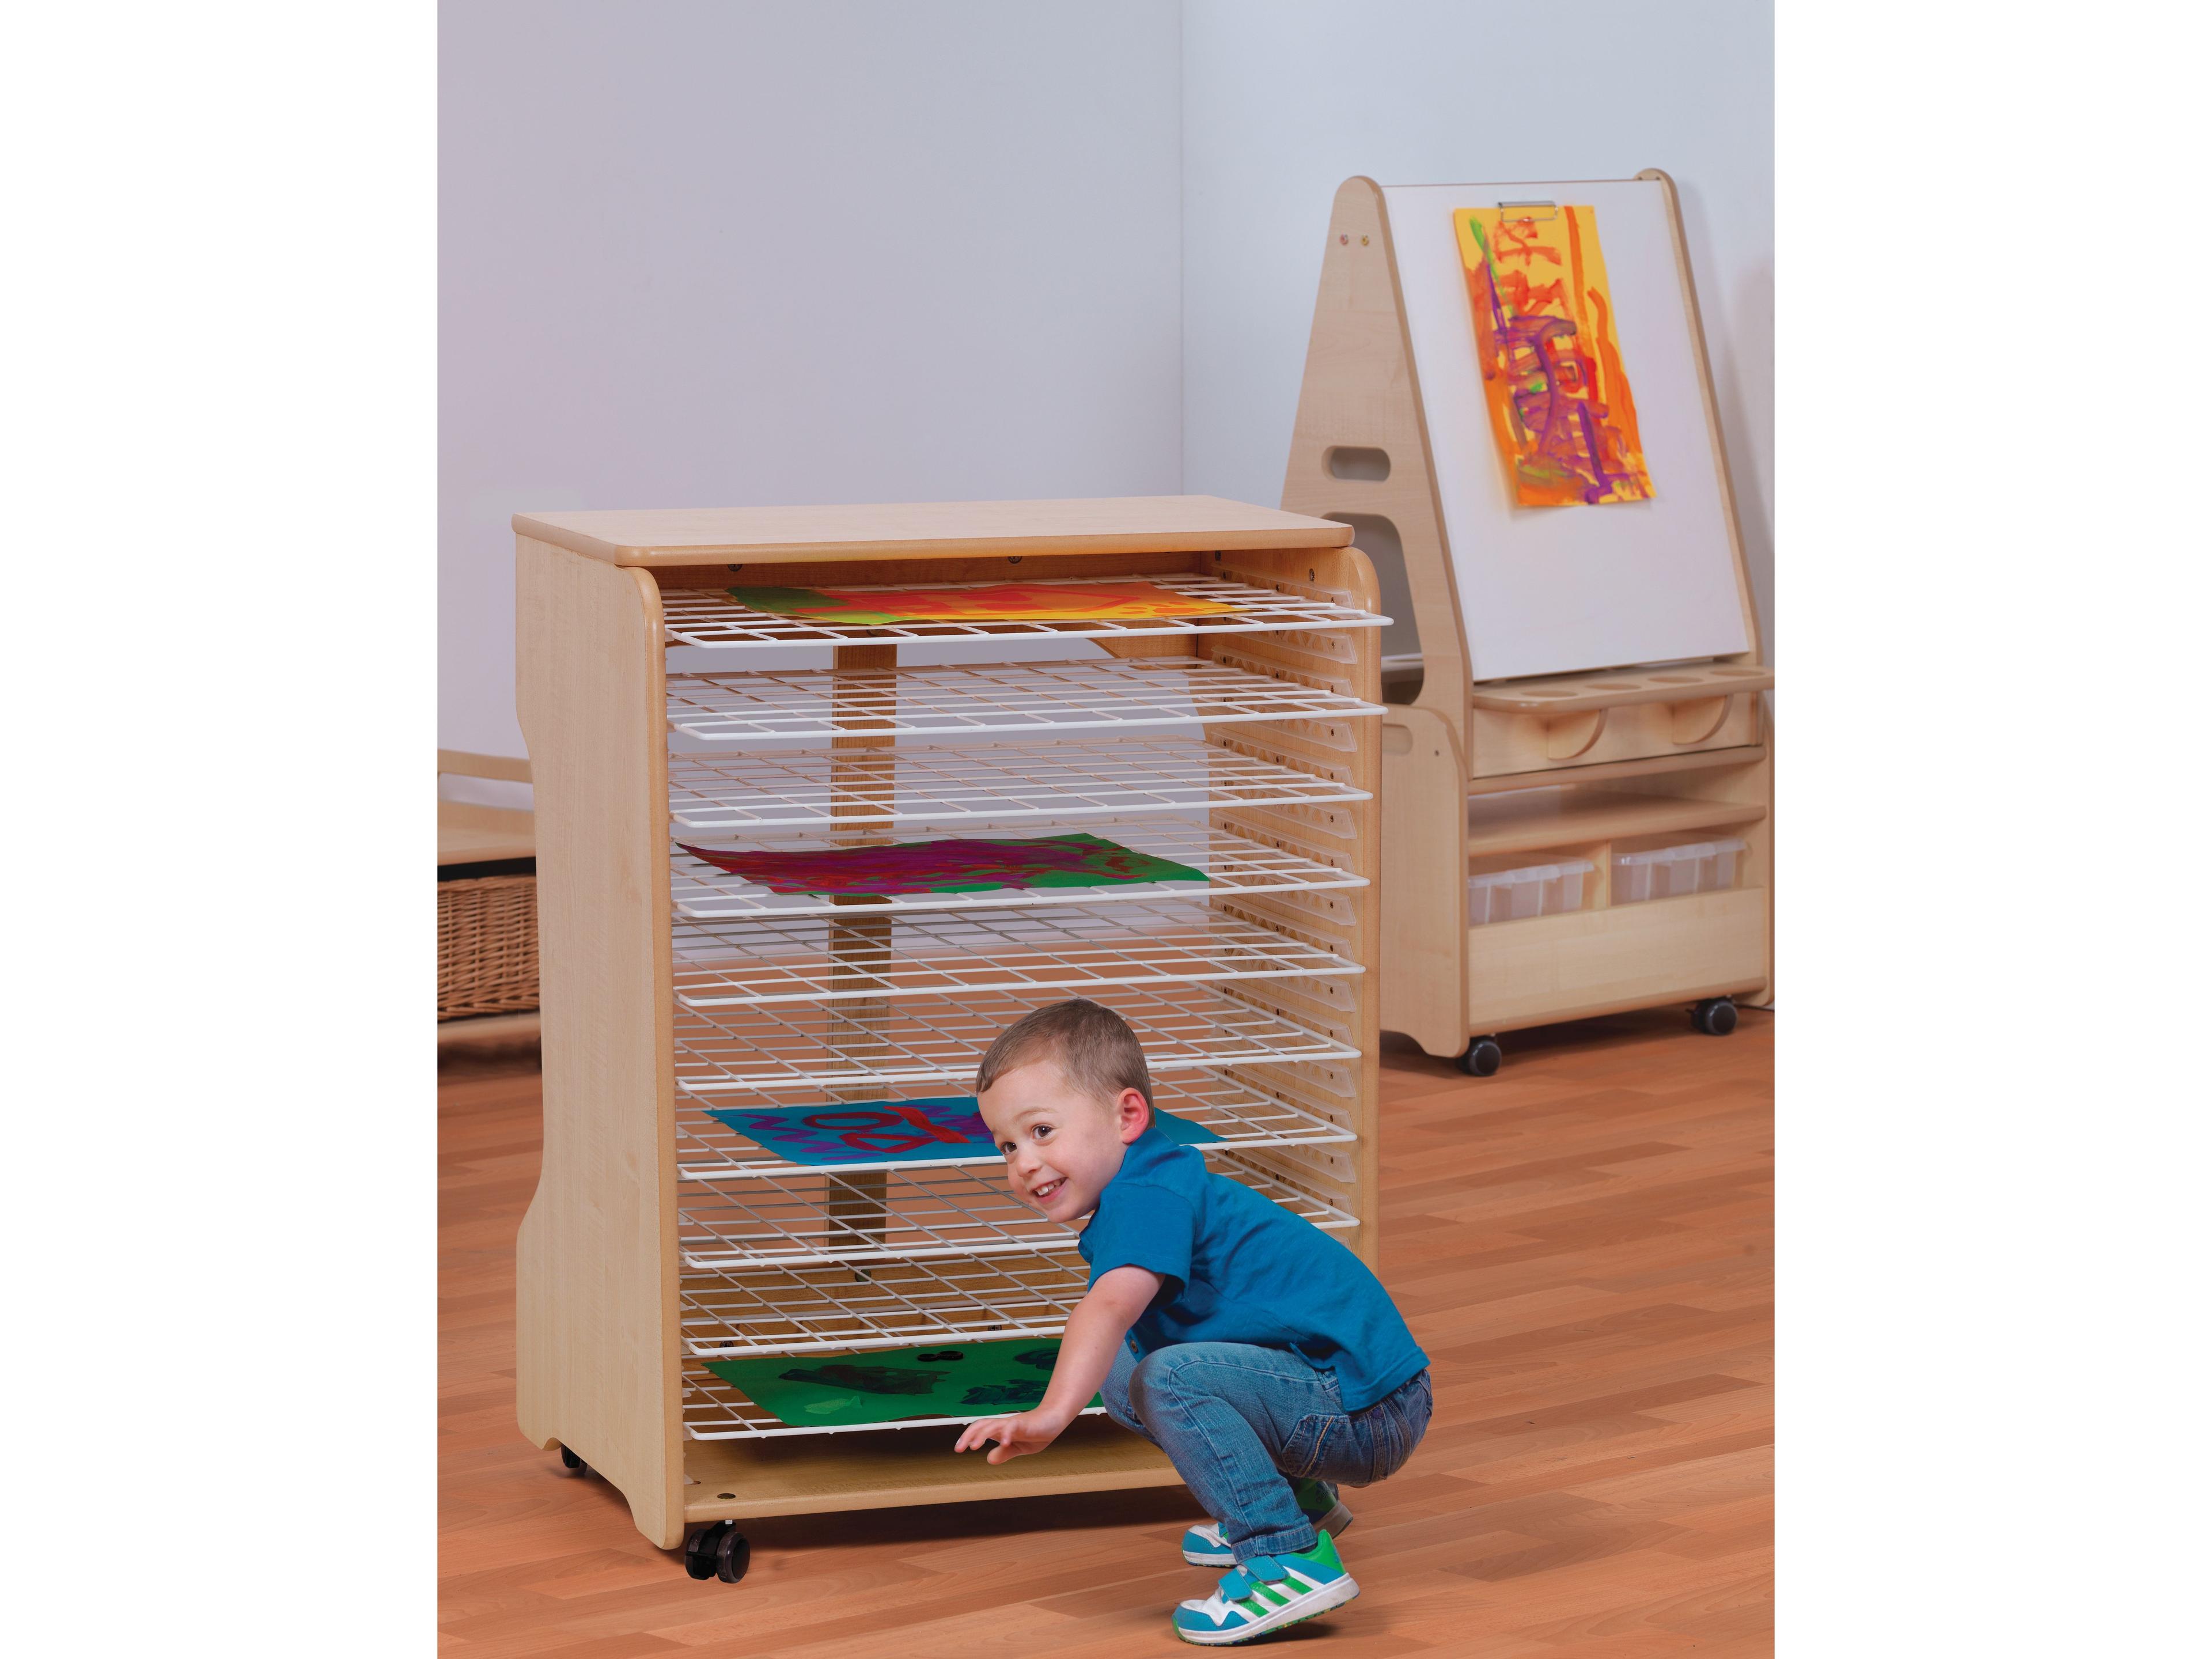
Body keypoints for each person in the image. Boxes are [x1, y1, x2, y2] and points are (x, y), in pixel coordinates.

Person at [952, 998, 1432, 1646]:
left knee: (1164, 1378)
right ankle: (1299, 1500)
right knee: (1127, 1370)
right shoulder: (1153, 1175)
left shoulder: (1148, 1197)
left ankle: (1283, 1556)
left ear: (1128, 1115)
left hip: (1365, 1413)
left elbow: (1107, 1306)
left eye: (1041, 1132)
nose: (1023, 1163)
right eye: (1007, 1145)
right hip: (1350, 1396)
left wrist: (1050, 1415)